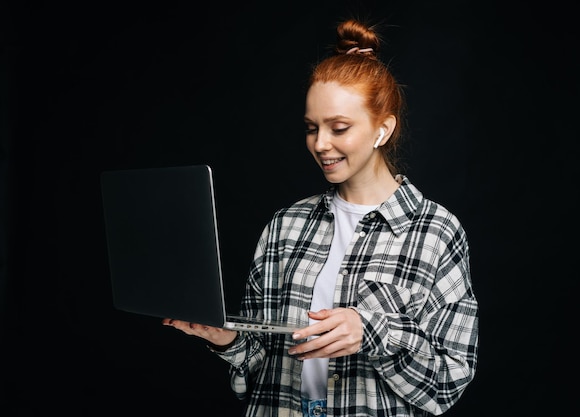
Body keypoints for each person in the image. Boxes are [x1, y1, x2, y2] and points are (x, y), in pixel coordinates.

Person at [163, 18, 479, 417]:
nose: (320, 144)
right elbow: (259, 365)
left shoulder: (435, 232)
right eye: (312, 128)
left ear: (383, 129)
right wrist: (225, 338)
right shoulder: (285, 226)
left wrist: (372, 332)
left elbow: (449, 382)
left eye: (339, 127)